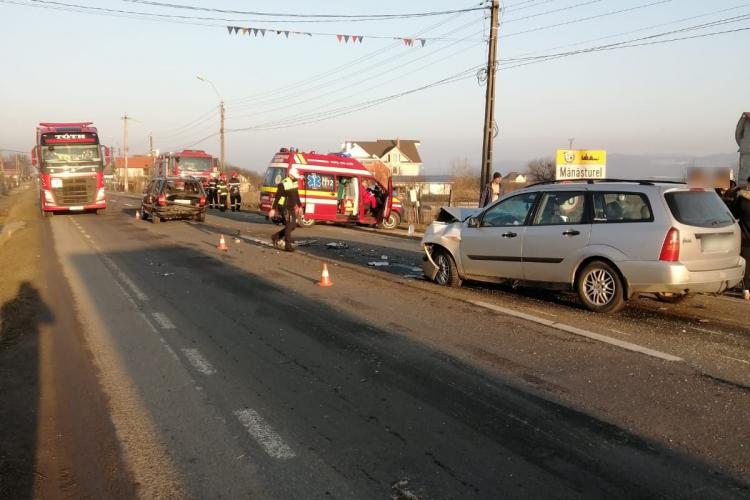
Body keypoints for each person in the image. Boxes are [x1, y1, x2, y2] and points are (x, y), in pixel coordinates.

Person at [269, 167, 302, 251]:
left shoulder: (294, 183)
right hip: (284, 207)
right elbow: (277, 197)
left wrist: (299, 205)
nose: (296, 178)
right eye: (294, 176)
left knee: (293, 226)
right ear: (290, 175)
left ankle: (275, 236)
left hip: (291, 207)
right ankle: (288, 245)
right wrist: (273, 209)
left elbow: (296, 195)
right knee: (289, 224)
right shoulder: (283, 183)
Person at [735, 178, 750, 301]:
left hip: (744, 236)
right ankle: (746, 289)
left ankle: (746, 290)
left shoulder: (742, 199)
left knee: (747, 264)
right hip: (745, 237)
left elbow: (733, 214)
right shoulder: (742, 200)